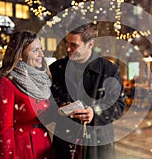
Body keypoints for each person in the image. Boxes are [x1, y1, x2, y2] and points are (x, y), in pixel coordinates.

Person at [49, 22, 126, 159]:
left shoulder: (110, 70)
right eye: (66, 43)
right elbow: (48, 101)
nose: (67, 48)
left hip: (99, 143)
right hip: (65, 141)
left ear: (90, 44)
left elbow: (118, 105)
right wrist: (59, 108)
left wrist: (94, 113)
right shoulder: (56, 69)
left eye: (74, 45)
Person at [0, 31, 54, 159]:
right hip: (23, 149)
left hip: (43, 146)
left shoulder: (41, 80)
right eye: (35, 50)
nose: (41, 55)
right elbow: (4, 130)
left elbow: (43, 115)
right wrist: (7, 155)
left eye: (41, 49)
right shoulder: (6, 83)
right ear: (19, 55)